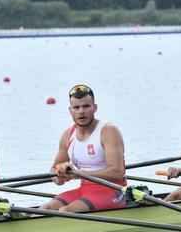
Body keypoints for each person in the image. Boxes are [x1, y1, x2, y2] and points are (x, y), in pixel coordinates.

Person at [40, 84, 127, 212]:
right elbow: (53, 168)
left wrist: (84, 174)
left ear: (95, 108)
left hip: (113, 191)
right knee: (45, 209)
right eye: (76, 107)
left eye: (86, 106)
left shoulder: (108, 131)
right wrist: (59, 177)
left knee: (66, 211)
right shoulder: (67, 135)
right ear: (70, 110)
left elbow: (117, 172)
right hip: (85, 189)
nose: (81, 111)